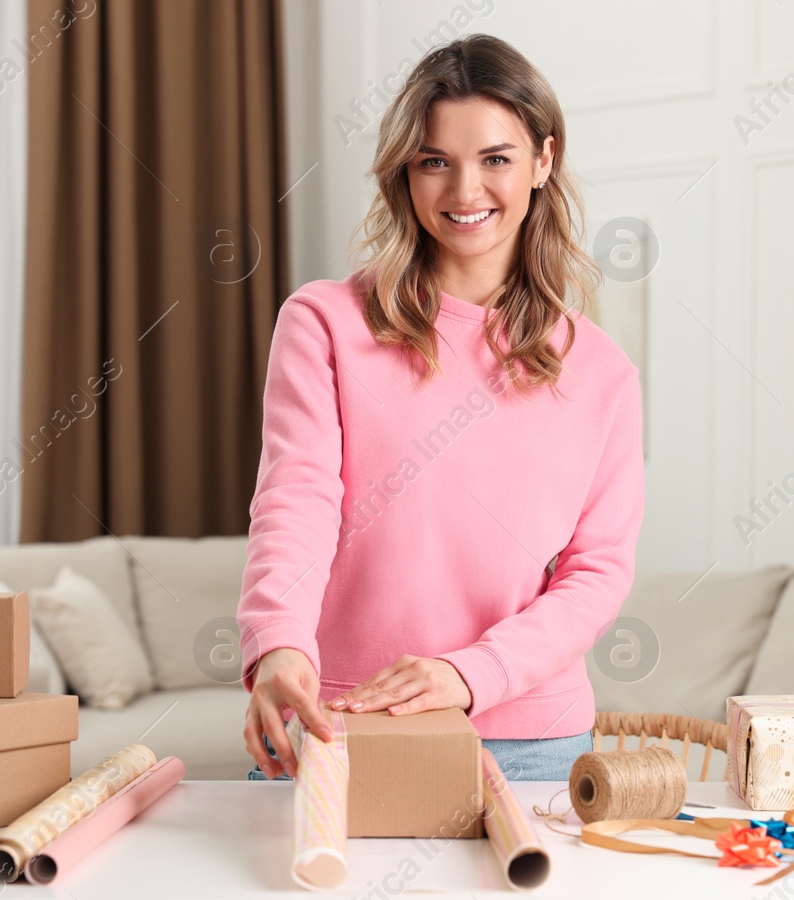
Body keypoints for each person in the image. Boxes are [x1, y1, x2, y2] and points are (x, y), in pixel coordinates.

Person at [239, 33, 643, 783]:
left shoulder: (604, 372)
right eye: (435, 161)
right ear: (406, 172)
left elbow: (597, 572)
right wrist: (278, 642)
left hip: (533, 742)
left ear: (543, 161)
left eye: (496, 159)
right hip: (342, 724)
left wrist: (471, 675)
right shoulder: (324, 323)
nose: (465, 191)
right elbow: (297, 499)